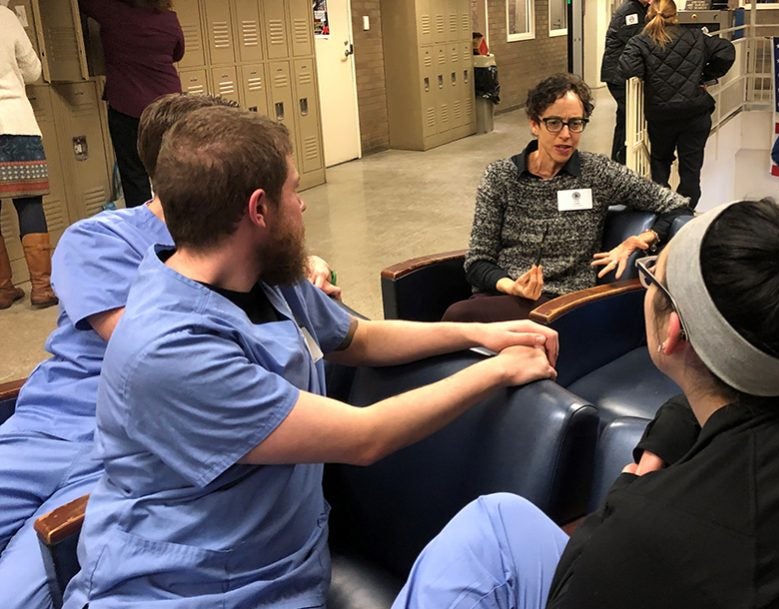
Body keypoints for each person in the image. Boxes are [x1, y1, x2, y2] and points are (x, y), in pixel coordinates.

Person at [61, 106, 559, 608]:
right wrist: (497, 371)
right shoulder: (170, 349)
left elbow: (358, 338)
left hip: (282, 566)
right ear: (259, 210)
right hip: (189, 589)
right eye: (294, 191)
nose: (302, 207)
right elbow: (365, 437)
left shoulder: (262, 279)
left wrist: (478, 333)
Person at [391, 194, 779, 609]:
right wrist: (670, 432)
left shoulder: (643, 535)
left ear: (673, 332)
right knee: (499, 518)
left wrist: (630, 497)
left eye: (652, 276)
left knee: (483, 530)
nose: (646, 282)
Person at [0, 94, 339, 609]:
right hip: (53, 425)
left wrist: (290, 265)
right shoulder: (100, 239)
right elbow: (153, 350)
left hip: (141, 448)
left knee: (18, 591)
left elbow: (306, 344)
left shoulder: (251, 252)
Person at [442, 73, 691, 323]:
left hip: (561, 304)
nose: (566, 134)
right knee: (458, 319)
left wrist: (639, 240)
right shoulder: (500, 177)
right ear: (534, 124)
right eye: (554, 123)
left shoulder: (599, 173)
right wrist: (511, 286)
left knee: (456, 318)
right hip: (501, 297)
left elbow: (677, 205)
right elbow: (477, 261)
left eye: (575, 123)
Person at [618, 0, 735, 208]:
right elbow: (726, 51)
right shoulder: (696, 36)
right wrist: (706, 76)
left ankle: (662, 210)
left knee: (660, 163)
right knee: (691, 171)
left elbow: (627, 69)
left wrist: (648, 74)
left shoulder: (640, 41)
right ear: (676, 15)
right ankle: (684, 213)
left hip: (661, 116)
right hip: (695, 113)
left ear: (648, 14)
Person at [78, 0, 184, 208]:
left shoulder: (111, 12)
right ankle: (180, 223)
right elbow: (177, 52)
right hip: (167, 106)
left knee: (134, 175)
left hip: (127, 106)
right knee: (172, 167)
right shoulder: (168, 19)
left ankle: (144, 231)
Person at [0, 4, 57, 308]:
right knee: (29, 202)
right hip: (16, 124)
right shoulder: (6, 16)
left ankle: (3, 289)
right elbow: (34, 71)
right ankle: (42, 288)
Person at [601, 0, 650, 164]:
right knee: (630, 118)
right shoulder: (630, 11)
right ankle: (623, 160)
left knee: (625, 119)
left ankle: (619, 161)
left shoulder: (641, 9)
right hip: (619, 75)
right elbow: (638, 41)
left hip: (623, 73)